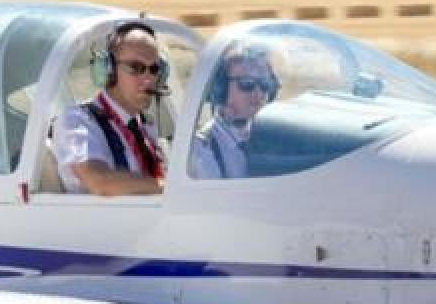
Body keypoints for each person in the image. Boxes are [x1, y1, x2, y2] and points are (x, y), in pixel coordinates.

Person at [52, 22, 167, 195]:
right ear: (109, 69)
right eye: (136, 68)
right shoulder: (78, 120)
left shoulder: (146, 127)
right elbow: (100, 181)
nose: (148, 79)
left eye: (154, 69)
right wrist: (168, 188)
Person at [192, 45, 279, 179]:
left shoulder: (272, 137)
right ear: (221, 89)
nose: (259, 93)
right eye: (247, 83)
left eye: (265, 83)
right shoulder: (202, 149)